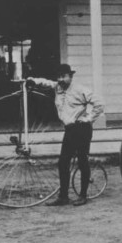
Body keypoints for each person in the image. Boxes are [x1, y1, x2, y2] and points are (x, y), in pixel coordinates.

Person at [27, 64, 104, 207]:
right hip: (70, 129)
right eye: (59, 76)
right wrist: (32, 81)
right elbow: (45, 82)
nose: (60, 79)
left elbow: (99, 104)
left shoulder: (80, 89)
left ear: (71, 76)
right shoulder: (58, 87)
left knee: (82, 161)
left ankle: (83, 195)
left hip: (82, 129)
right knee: (63, 163)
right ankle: (63, 197)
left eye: (64, 76)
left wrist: (87, 119)